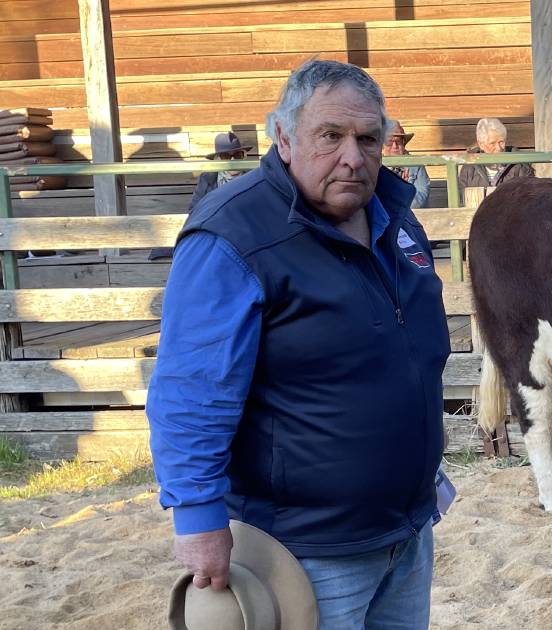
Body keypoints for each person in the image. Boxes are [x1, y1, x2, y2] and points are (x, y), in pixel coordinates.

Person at [147, 59, 451, 628]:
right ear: (283, 138)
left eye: (367, 138)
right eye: (330, 136)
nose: (352, 157)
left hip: (406, 529)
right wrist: (198, 518)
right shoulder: (234, 235)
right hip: (304, 549)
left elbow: (408, 354)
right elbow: (192, 392)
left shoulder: (396, 218)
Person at [147, 131, 252, 260]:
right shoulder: (208, 179)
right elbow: (195, 210)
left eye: (237, 155)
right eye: (226, 156)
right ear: (216, 159)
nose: (232, 160)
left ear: (244, 157)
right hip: (216, 233)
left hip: (245, 236)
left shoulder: (252, 178)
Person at [457, 118, 534, 190]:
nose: (499, 148)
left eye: (501, 142)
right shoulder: (469, 167)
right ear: (481, 145)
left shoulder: (520, 165)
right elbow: (461, 197)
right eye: (492, 143)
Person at [384, 124, 431, 208]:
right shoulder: (376, 165)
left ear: (403, 143)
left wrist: (399, 204)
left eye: (398, 141)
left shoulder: (416, 165)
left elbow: (422, 196)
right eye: (390, 142)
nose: (395, 146)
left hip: (411, 215)